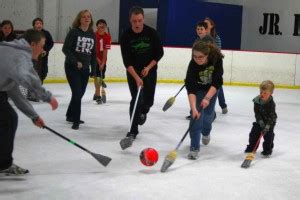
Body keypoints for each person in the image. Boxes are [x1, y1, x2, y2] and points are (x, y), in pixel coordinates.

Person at [0, 29, 58, 175]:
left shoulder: (10, 50)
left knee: (8, 119)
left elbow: (14, 92)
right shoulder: (20, 56)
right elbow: (25, 77)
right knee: (8, 119)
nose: (43, 49)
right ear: (32, 44)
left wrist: (33, 116)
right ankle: (3, 164)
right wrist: (47, 97)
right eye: (42, 45)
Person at [119, 6, 164, 150]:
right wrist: (137, 77)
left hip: (150, 71)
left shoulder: (151, 33)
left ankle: (143, 112)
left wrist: (148, 68)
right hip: (134, 73)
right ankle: (132, 131)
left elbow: (159, 53)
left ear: (143, 19)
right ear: (130, 20)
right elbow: (127, 61)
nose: (137, 24)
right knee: (136, 99)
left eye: (139, 20)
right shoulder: (126, 36)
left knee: (148, 101)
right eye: (134, 21)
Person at [185, 40, 224, 160]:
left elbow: (218, 81)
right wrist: (193, 109)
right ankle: (194, 147)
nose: (197, 59)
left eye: (201, 57)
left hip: (211, 89)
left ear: (207, 55)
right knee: (196, 117)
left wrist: (207, 98)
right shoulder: (192, 65)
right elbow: (190, 88)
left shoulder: (216, 59)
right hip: (198, 90)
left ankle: (206, 132)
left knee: (208, 116)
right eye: (195, 56)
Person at [62, 10, 96, 130]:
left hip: (85, 69)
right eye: (84, 17)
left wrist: (94, 70)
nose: (87, 19)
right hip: (72, 68)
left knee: (79, 94)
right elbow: (65, 49)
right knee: (77, 94)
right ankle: (75, 120)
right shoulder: (74, 32)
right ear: (79, 19)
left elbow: (93, 53)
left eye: (88, 17)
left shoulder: (92, 34)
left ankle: (69, 115)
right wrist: (76, 61)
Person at [186, 21, 215, 120]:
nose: (199, 31)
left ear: (206, 30)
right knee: (196, 91)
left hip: (209, 71)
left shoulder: (209, 40)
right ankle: (194, 111)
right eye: (198, 29)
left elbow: (213, 56)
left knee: (215, 87)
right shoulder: (197, 40)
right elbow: (194, 58)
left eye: (201, 29)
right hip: (198, 71)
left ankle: (212, 112)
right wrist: (191, 73)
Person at [244, 80, 277, 156]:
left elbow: (272, 116)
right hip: (260, 121)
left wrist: (267, 127)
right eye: (261, 92)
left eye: (265, 93)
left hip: (270, 122)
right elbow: (257, 113)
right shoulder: (257, 101)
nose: (262, 94)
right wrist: (261, 123)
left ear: (271, 93)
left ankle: (267, 150)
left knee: (269, 136)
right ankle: (252, 147)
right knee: (253, 133)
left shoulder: (271, 104)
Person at [204, 17, 228, 115]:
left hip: (214, 65)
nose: (204, 25)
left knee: (217, 85)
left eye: (207, 23)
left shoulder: (216, 38)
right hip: (204, 65)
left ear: (212, 26)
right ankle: (209, 110)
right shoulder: (203, 37)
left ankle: (223, 105)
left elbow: (217, 52)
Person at [91, 19, 111, 104]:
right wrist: (98, 61)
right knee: (97, 77)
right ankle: (98, 95)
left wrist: (103, 62)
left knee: (100, 76)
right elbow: (92, 50)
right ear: (97, 26)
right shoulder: (93, 35)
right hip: (93, 59)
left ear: (105, 27)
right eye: (100, 25)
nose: (101, 26)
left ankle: (96, 93)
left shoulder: (108, 37)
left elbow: (106, 51)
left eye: (103, 25)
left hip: (103, 60)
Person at [32, 18, 54, 83]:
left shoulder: (46, 33)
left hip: (43, 57)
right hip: (33, 58)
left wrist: (46, 50)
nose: (39, 25)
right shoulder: (30, 33)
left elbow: (51, 43)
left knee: (44, 72)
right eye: (37, 23)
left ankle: (38, 85)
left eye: (41, 23)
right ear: (34, 25)